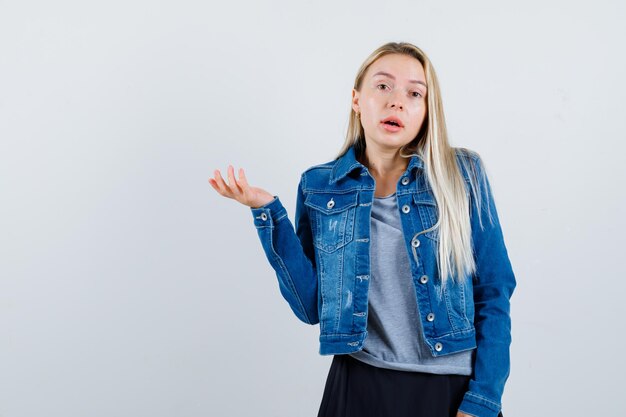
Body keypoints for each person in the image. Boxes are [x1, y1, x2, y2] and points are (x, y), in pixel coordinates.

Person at [208, 41, 515, 417]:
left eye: (414, 93)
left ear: (426, 111)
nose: (396, 101)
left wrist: (484, 398)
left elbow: (494, 291)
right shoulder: (321, 187)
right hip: (358, 385)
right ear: (357, 99)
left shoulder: (462, 175)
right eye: (383, 86)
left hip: (450, 389)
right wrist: (267, 212)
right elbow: (311, 307)